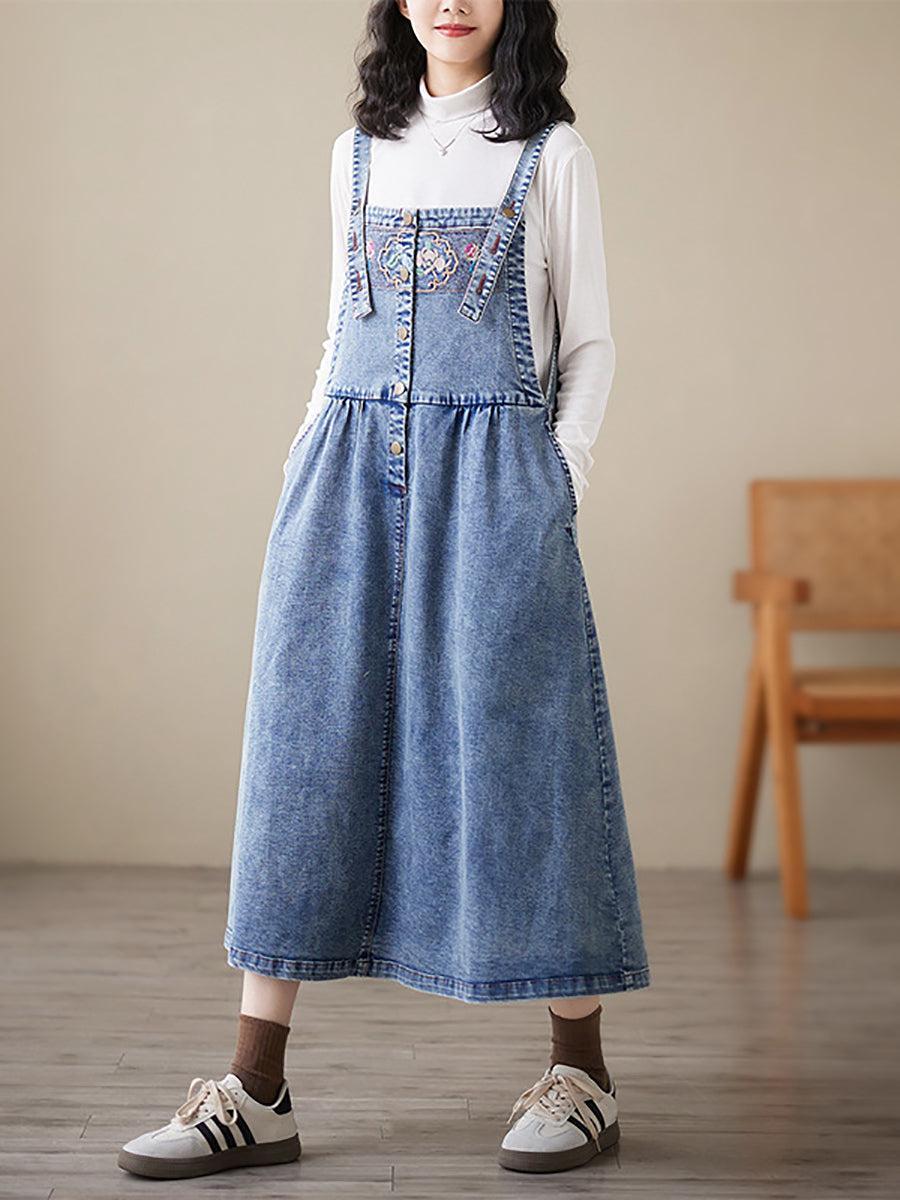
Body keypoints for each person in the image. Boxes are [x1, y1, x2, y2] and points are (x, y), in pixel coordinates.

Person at [117, 0, 650, 1181]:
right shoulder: (357, 153)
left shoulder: (552, 154)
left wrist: (556, 483)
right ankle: (255, 1090)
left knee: (529, 755)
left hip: (498, 487)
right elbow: (335, 335)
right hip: (346, 481)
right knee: (304, 752)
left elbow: (591, 345)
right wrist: (303, 466)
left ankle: (582, 1076)